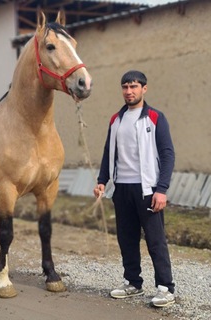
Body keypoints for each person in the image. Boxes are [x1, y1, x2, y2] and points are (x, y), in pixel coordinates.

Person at [93, 70, 175, 307]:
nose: (129, 91)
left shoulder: (155, 118)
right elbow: (109, 152)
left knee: (155, 240)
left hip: (148, 190)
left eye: (134, 86)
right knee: (126, 239)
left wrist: (162, 189)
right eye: (125, 87)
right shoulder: (115, 120)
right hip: (122, 190)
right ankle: (133, 283)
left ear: (144, 89)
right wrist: (102, 180)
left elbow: (167, 154)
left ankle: (165, 288)